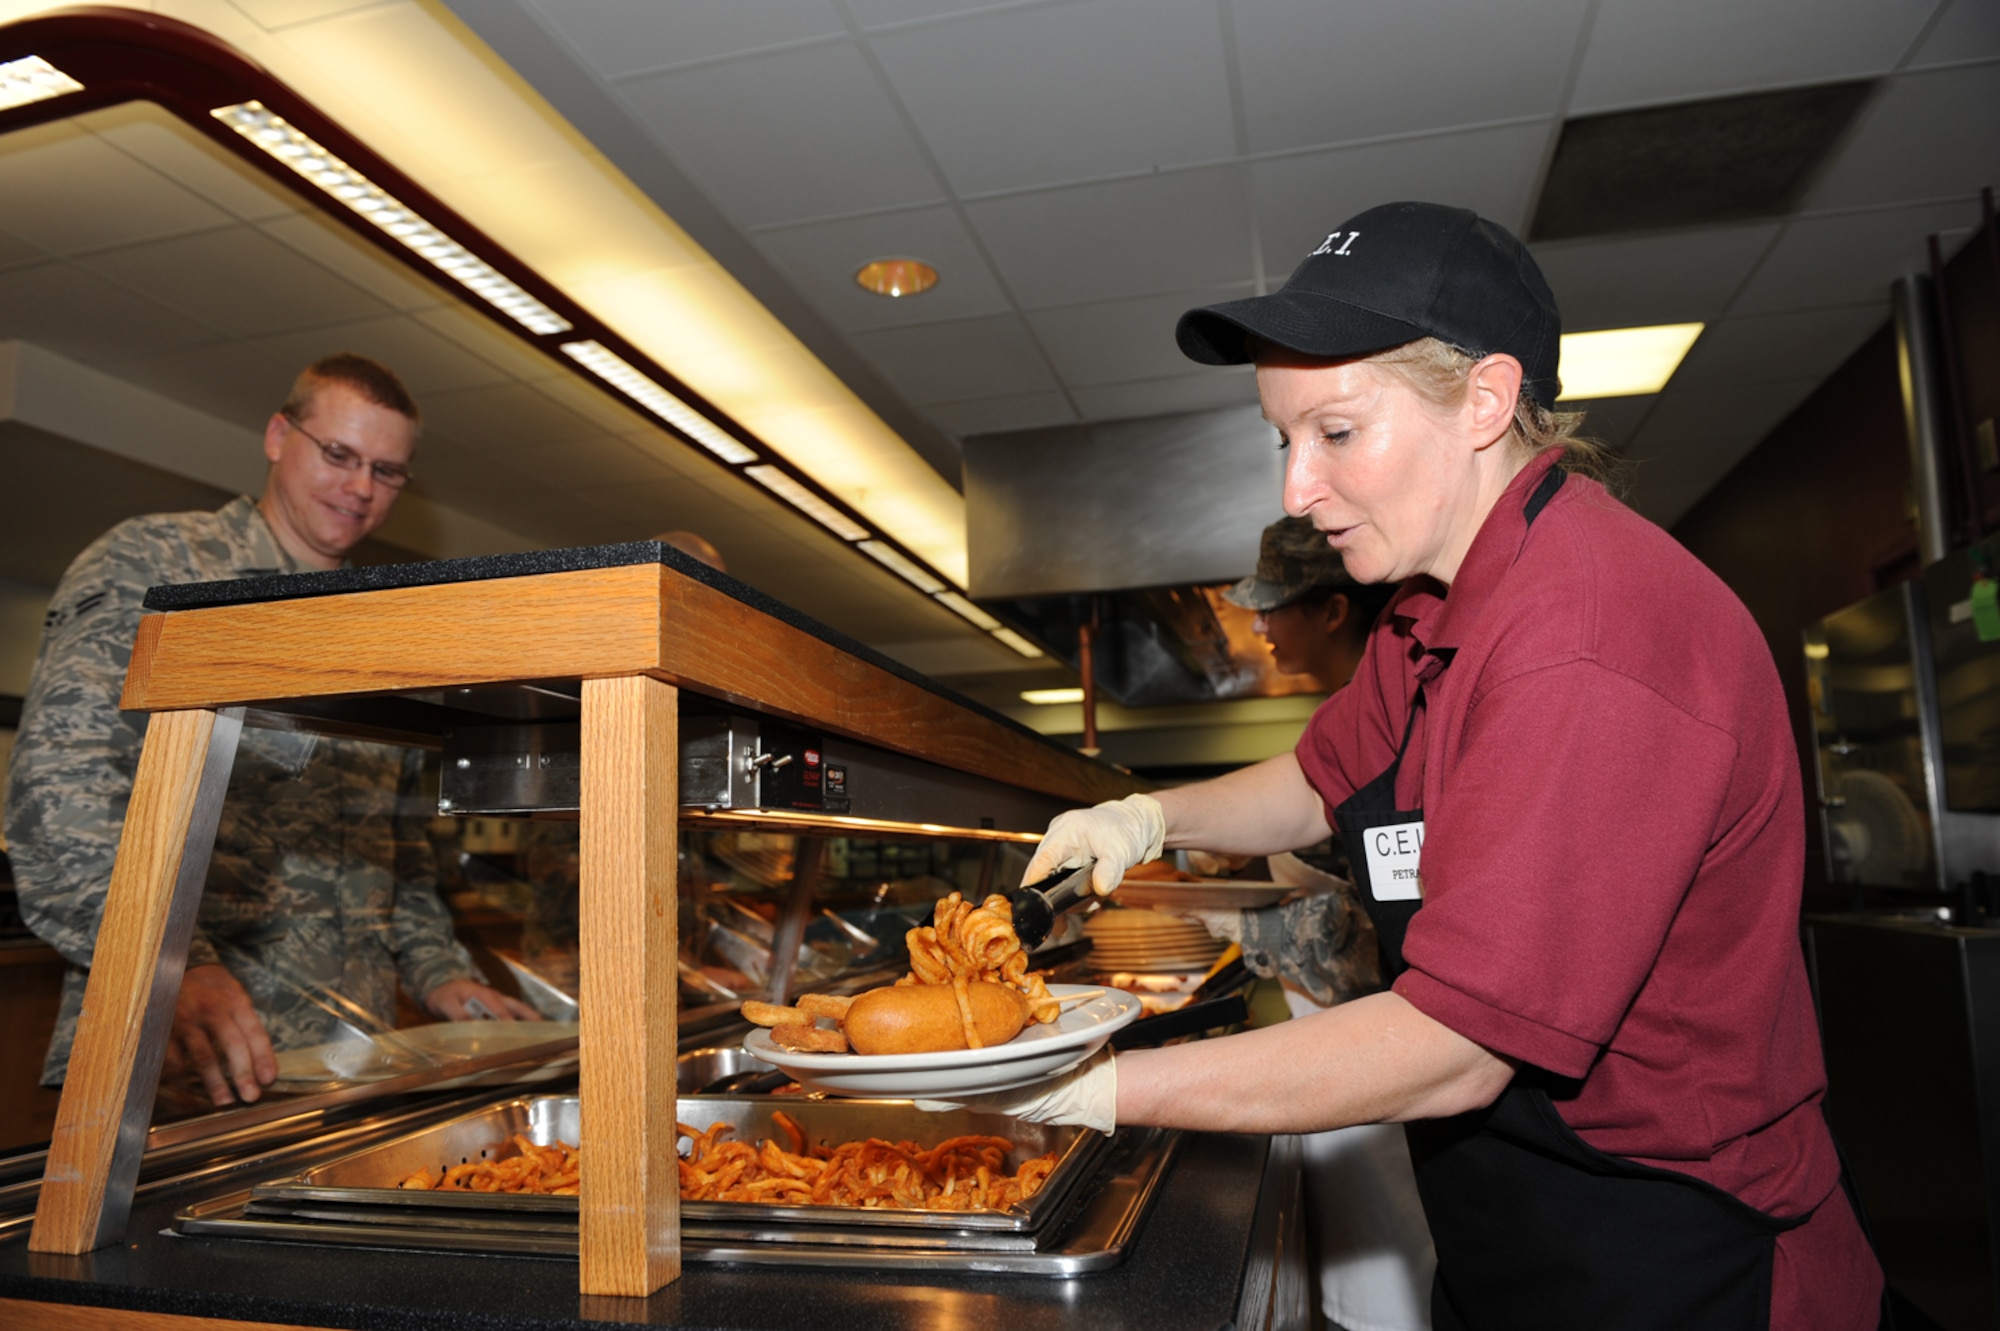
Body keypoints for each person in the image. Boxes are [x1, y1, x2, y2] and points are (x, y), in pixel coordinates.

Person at [978, 203, 1884, 1328]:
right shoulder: (1430, 604)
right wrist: (1143, 816)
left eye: (1337, 432)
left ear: (1486, 402)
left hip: (1671, 1243)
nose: (1293, 489)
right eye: (1282, 439)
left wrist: (1088, 1086)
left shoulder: (1586, 637)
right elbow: (1317, 777)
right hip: (1514, 1217)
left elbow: (1454, 1048)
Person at [7, 352, 533, 1111]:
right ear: (278, 436)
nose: (360, 488)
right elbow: (59, 794)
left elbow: (398, 848)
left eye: (387, 471)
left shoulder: (381, 627)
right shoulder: (157, 565)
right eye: (339, 454)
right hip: (183, 1058)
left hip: (347, 1062)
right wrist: (170, 965)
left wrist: (437, 969)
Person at [1209, 514, 1435, 1331]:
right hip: (1352, 1053)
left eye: (1275, 606)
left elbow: (1374, 937)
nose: (1260, 626)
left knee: (1394, 1296)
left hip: (1388, 1055)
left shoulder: (1406, 718)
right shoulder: (1348, 717)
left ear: (1335, 611)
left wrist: (1229, 929)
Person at [1225, 514, 1398, 692]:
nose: (1257, 628)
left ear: (1333, 613)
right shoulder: (1367, 699)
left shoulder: (1378, 706)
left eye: (1268, 610)